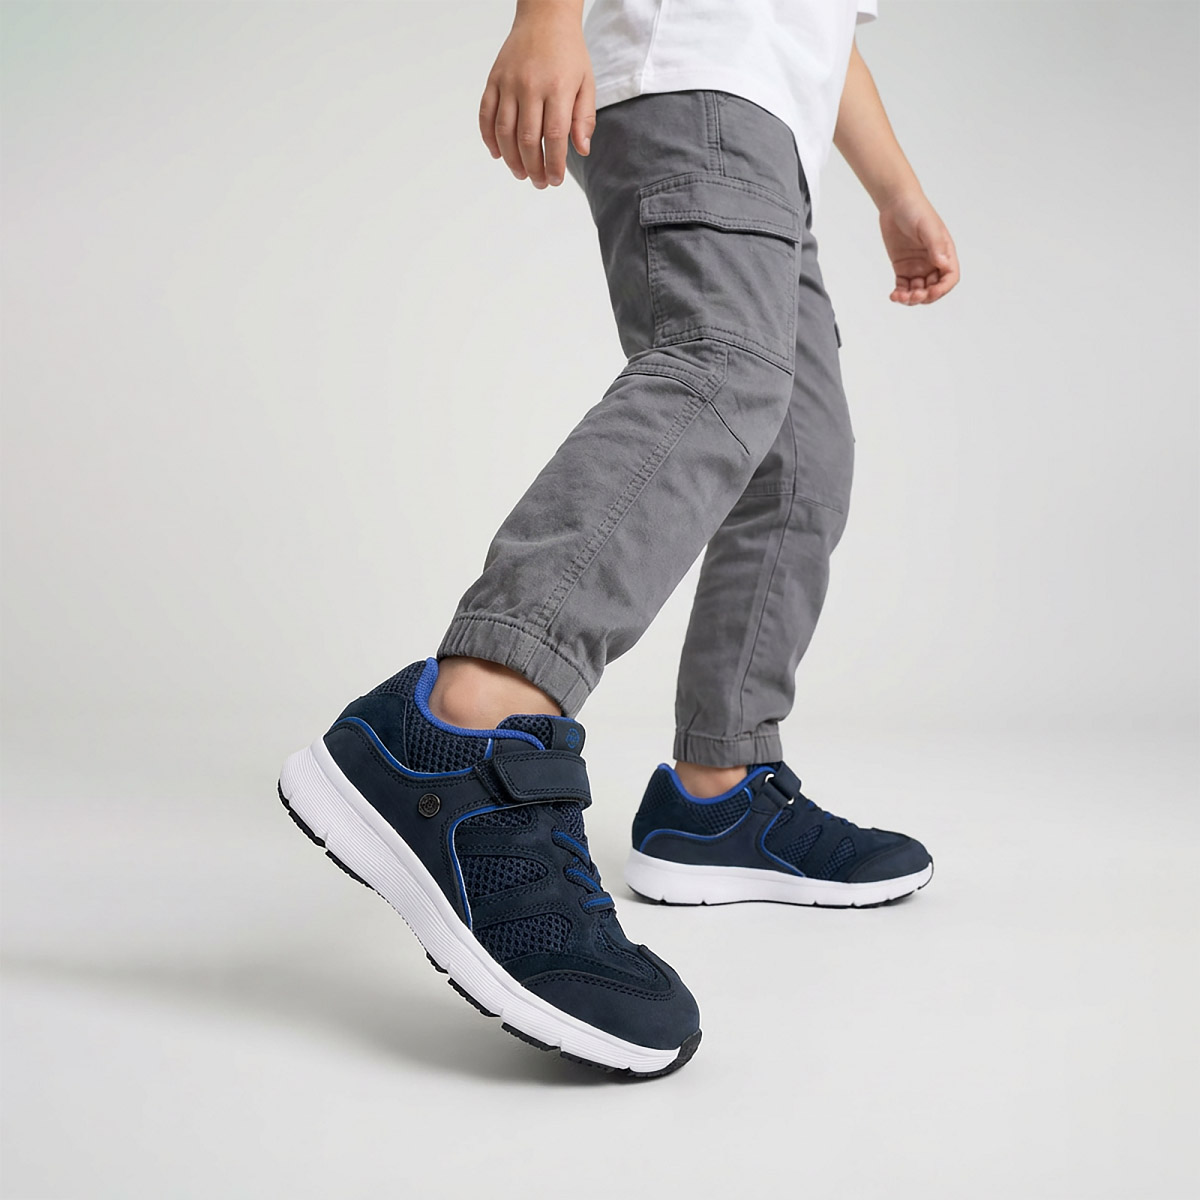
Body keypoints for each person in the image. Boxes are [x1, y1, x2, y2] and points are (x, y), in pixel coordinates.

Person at [279, 0, 959, 1078]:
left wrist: (897, 191)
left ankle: (718, 793)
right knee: (719, 369)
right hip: (696, 82)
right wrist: (547, 17)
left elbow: (827, 27)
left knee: (801, 463)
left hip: (776, 131)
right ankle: (466, 723)